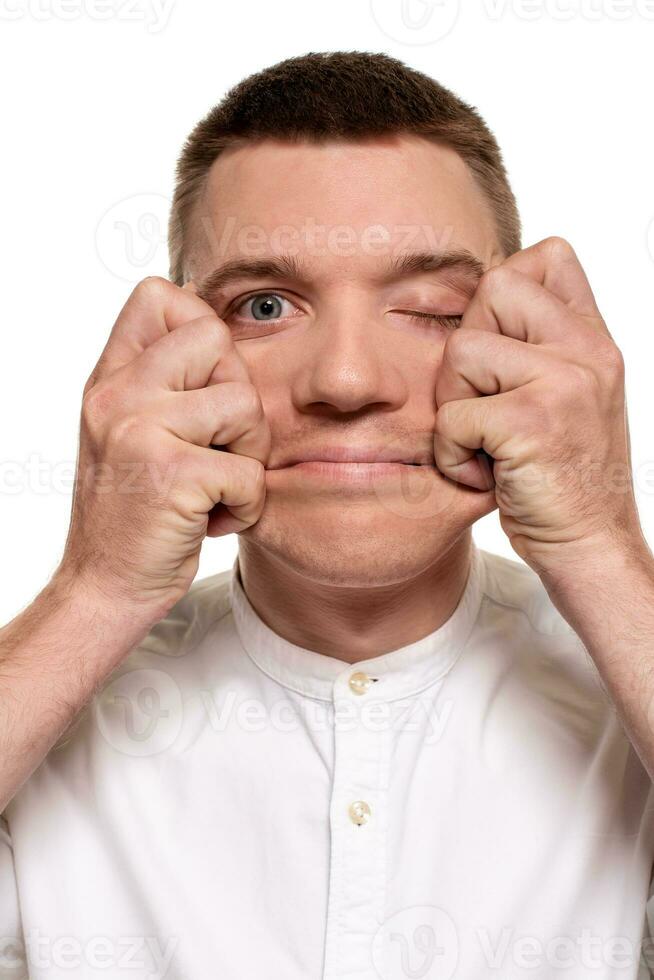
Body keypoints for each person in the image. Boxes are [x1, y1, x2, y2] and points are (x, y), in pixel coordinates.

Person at [1, 50, 654, 980]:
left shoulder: (626, 693)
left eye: (430, 308)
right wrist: (94, 589)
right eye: (266, 305)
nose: (345, 381)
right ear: (175, 347)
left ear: (520, 336)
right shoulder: (44, 720)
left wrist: (598, 543)